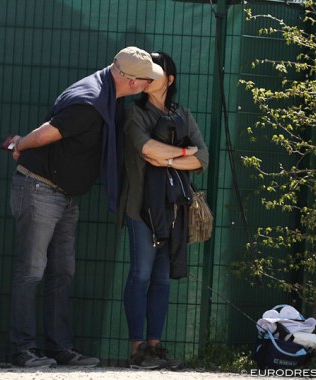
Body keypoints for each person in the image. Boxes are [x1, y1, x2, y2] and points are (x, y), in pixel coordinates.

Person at [6, 46, 163, 368]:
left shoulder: (109, 96)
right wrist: (20, 144)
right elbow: (48, 133)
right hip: (39, 190)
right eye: (148, 81)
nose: (150, 86)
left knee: (62, 271)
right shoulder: (91, 102)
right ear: (132, 82)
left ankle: (60, 348)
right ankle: (23, 350)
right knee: (32, 271)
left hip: (64, 195)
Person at [118, 51, 209, 370]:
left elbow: (203, 158)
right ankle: (136, 349)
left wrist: (170, 158)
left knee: (162, 278)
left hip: (174, 208)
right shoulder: (133, 114)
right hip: (139, 207)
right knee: (141, 272)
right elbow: (145, 149)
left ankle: (155, 347)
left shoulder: (183, 113)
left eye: (156, 71)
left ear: (169, 80)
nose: (149, 75)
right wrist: (184, 154)